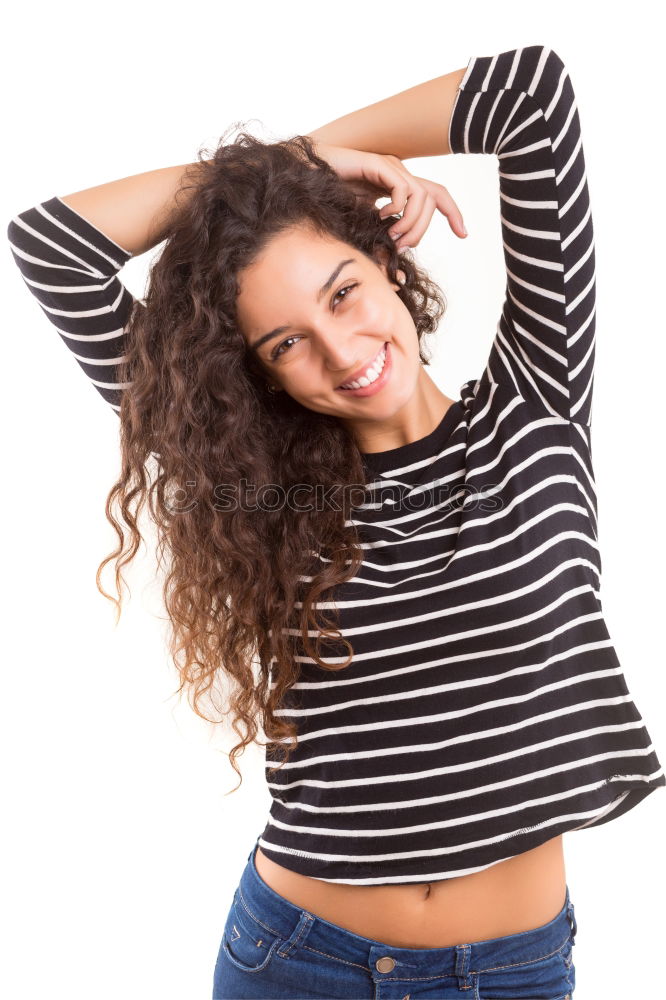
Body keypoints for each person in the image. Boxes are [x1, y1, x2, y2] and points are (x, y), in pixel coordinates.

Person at [7, 42, 664, 1000]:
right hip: (299, 961)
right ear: (261, 371)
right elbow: (52, 246)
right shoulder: (258, 481)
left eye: (344, 291)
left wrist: (297, 168)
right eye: (286, 344)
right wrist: (264, 179)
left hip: (516, 970)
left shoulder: (539, 403)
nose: (341, 350)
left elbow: (528, 93)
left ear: (387, 259)